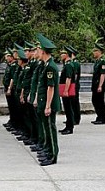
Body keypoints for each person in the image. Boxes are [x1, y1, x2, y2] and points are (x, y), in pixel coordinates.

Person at [35, 33, 60, 166]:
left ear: (43, 51)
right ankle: (48, 151)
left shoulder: (50, 67)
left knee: (51, 129)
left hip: (49, 103)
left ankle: (53, 155)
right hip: (45, 102)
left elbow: (51, 88)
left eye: (38, 50)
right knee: (46, 127)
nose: (36, 52)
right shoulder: (45, 65)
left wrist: (48, 106)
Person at [91, 42, 105, 125]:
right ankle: (99, 116)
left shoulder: (102, 62)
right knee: (94, 100)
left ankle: (102, 118)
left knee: (100, 101)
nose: (93, 53)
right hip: (95, 84)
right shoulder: (97, 62)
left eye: (95, 51)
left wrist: (100, 85)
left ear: (99, 52)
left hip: (100, 85)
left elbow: (102, 74)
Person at [59, 48, 75, 135]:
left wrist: (65, 90)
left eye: (62, 53)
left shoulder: (68, 65)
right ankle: (68, 126)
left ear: (67, 55)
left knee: (69, 109)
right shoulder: (67, 64)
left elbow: (68, 78)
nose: (61, 55)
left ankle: (70, 127)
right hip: (66, 89)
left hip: (67, 90)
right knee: (67, 109)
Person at [66, 46, 82, 125]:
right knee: (72, 103)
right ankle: (72, 118)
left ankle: (76, 118)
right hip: (73, 85)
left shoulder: (75, 63)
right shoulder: (72, 62)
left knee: (74, 102)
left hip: (74, 85)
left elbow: (74, 76)